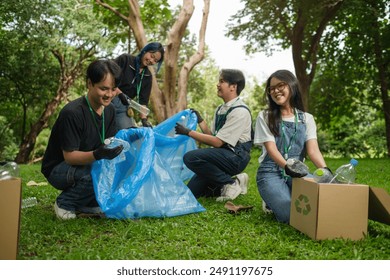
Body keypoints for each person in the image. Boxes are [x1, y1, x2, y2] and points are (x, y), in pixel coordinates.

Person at [41, 59, 124, 220]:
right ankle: (65, 203)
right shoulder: (72, 112)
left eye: (113, 89)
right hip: (59, 169)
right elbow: (70, 157)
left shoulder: (110, 110)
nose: (109, 95)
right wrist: (97, 155)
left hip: (89, 162)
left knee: (115, 169)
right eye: (103, 88)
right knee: (95, 171)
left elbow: (110, 141)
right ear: (89, 84)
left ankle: (86, 203)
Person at [254, 69, 329, 223]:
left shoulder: (307, 119)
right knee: (292, 215)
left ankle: (279, 195)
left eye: (280, 86)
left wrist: (326, 171)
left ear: (291, 86)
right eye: (271, 88)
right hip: (271, 172)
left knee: (322, 204)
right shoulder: (265, 116)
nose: (275, 91)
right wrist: (287, 168)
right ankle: (273, 199)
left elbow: (313, 151)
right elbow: (271, 149)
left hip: (298, 171)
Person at [175, 69, 253, 202]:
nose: (217, 84)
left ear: (233, 86)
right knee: (193, 192)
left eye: (222, 81)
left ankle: (230, 183)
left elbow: (217, 142)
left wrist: (188, 132)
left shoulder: (240, 111)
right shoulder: (221, 109)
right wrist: (200, 120)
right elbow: (212, 137)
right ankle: (236, 182)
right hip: (222, 154)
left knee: (191, 157)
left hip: (236, 157)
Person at [112, 42, 165, 129]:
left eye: (155, 61)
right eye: (152, 56)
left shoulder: (148, 76)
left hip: (123, 107)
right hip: (108, 98)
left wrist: (144, 120)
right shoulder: (125, 59)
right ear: (145, 50)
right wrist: (119, 93)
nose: (151, 61)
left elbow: (143, 103)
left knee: (129, 134)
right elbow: (108, 77)